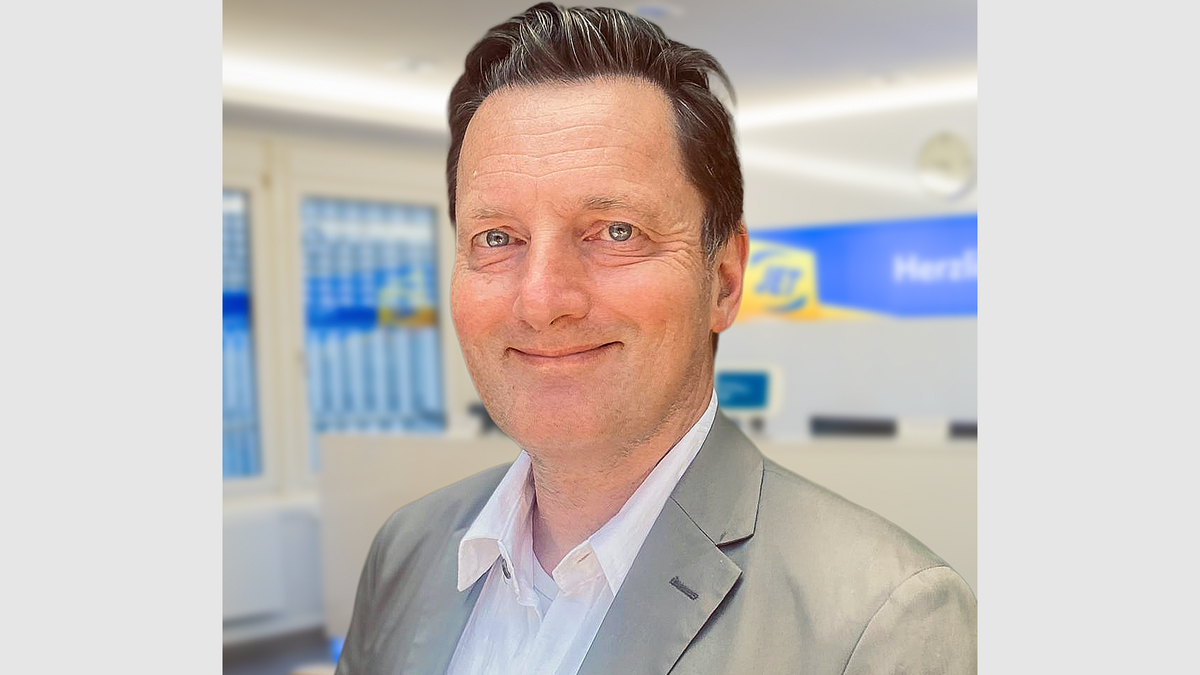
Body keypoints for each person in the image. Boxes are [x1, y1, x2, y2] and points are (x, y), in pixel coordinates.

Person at [335, 4, 977, 674]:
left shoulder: (882, 621)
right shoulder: (405, 553)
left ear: (724, 280)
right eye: (497, 238)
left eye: (616, 232)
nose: (542, 301)